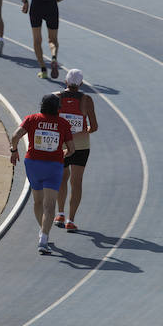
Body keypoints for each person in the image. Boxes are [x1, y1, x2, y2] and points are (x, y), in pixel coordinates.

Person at [10, 93, 75, 255]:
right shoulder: (63, 123)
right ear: (58, 108)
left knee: (37, 201)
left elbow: (15, 136)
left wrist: (14, 151)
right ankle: (44, 238)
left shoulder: (32, 119)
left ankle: (42, 231)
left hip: (33, 164)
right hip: (53, 166)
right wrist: (63, 153)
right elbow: (72, 149)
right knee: (50, 205)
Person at [53, 69, 98, 232]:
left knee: (62, 178)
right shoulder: (87, 100)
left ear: (65, 82)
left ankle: (60, 214)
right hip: (81, 146)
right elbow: (94, 127)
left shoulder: (55, 97)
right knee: (76, 182)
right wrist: (83, 129)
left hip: (62, 145)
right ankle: (71, 220)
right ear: (81, 84)